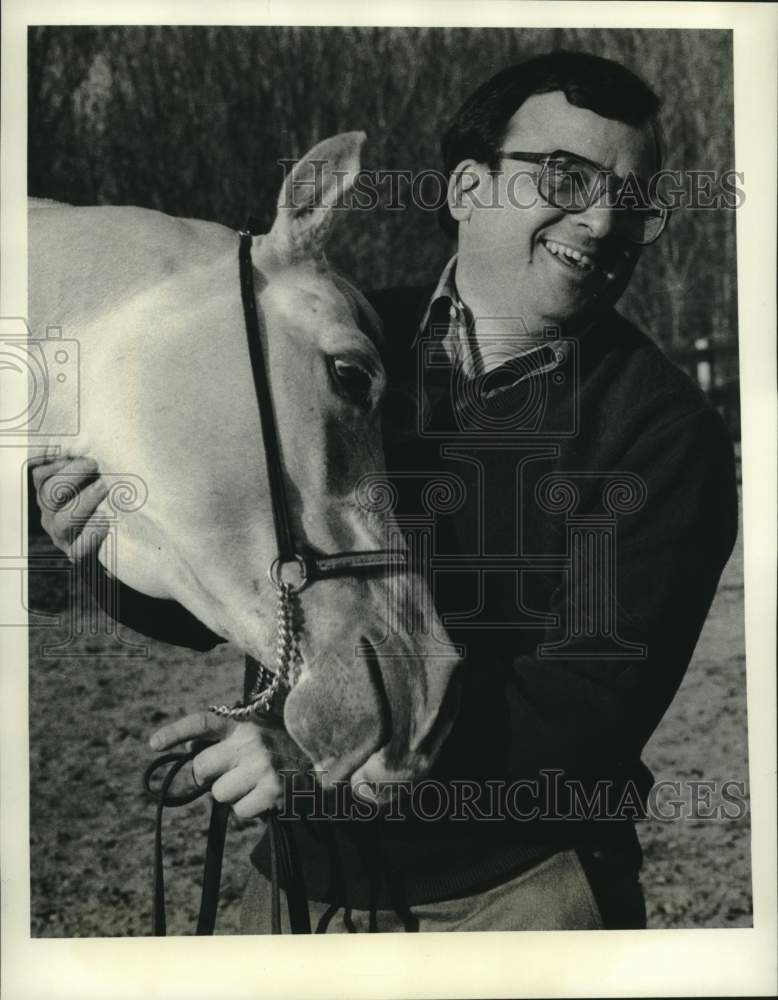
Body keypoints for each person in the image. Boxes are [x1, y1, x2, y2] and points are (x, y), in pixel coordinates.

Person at [33, 51, 738, 932]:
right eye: (566, 175)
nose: (602, 220)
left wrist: (309, 751)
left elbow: (586, 711)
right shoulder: (341, 338)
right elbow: (233, 587)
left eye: (633, 199)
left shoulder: (664, 433)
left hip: (518, 895)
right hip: (300, 886)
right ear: (468, 189)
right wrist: (102, 547)